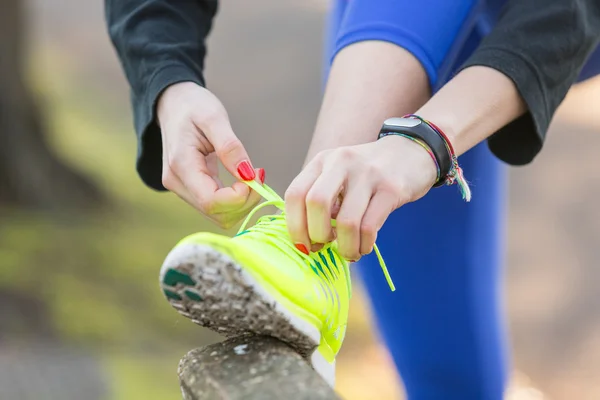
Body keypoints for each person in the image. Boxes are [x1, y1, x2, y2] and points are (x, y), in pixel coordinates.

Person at [105, 0, 600, 398]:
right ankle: (317, 230)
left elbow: (572, 12)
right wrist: (169, 82)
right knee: (447, 374)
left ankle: (305, 242)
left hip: (552, 15)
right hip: (398, 27)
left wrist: (426, 141)